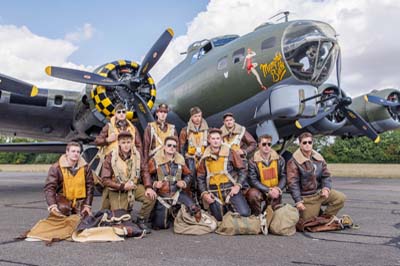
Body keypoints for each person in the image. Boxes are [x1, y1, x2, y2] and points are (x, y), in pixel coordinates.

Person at [100, 131, 157, 233]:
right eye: (123, 142)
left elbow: (145, 171)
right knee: (120, 219)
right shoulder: (111, 156)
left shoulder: (138, 155)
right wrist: (122, 186)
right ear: (119, 143)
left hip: (133, 185)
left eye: (128, 142)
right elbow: (105, 179)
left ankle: (141, 220)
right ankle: (124, 216)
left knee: (150, 197)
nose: (126, 145)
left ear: (132, 143)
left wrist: (148, 187)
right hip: (117, 189)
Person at [287, 132, 346, 220]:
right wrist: (298, 201)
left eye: (309, 142)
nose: (307, 145)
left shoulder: (319, 158)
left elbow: (326, 175)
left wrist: (326, 188)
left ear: (312, 143)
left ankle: (324, 219)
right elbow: (293, 183)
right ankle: (306, 212)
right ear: (300, 144)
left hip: (319, 193)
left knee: (340, 198)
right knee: (307, 222)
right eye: (304, 142)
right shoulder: (293, 161)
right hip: (307, 198)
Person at [197, 128, 251, 221]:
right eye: (213, 139)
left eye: (217, 138)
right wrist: (204, 194)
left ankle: (232, 206)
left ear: (221, 140)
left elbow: (243, 170)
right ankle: (225, 209)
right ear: (209, 140)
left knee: (244, 214)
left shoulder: (230, 152)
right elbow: (200, 178)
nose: (215, 141)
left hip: (230, 190)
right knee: (219, 219)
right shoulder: (204, 157)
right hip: (214, 193)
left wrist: (238, 186)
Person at [148, 136, 201, 229]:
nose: (172, 148)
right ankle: (166, 215)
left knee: (194, 210)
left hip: (177, 193)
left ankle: (176, 214)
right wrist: (154, 183)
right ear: (164, 147)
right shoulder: (155, 160)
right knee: (160, 225)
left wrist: (184, 182)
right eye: (169, 145)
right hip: (162, 195)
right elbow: (147, 175)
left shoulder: (180, 159)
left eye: (174, 146)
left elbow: (189, 175)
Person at [44, 142, 94, 217]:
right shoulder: (56, 168)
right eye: (73, 151)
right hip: (63, 199)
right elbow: (49, 188)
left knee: (85, 217)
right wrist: (52, 205)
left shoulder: (86, 168)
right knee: (63, 208)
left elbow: (90, 186)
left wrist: (87, 205)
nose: (76, 154)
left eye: (78, 152)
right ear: (67, 152)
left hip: (80, 200)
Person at [245, 134, 286, 215]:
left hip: (275, 190)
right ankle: (257, 215)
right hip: (260, 190)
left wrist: (277, 189)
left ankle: (267, 214)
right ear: (259, 145)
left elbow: (284, 175)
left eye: (269, 144)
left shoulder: (280, 159)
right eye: (264, 144)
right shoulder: (252, 161)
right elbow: (252, 179)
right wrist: (268, 190)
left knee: (273, 213)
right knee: (252, 194)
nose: (267, 146)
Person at [179, 106, 209, 200]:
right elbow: (182, 147)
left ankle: (204, 197)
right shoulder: (185, 130)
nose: (198, 118)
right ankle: (192, 198)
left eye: (199, 116)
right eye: (195, 116)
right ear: (191, 117)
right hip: (191, 158)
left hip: (204, 158)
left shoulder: (207, 130)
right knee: (191, 178)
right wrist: (182, 161)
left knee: (205, 178)